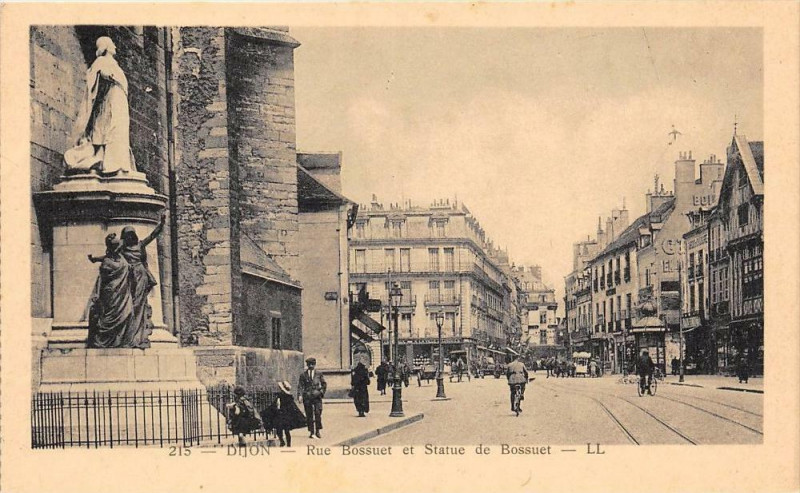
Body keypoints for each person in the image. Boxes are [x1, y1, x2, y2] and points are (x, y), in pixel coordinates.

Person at [66, 36, 136, 174]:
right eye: (112, 44)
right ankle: (111, 165)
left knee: (119, 129)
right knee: (113, 129)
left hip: (119, 100)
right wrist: (104, 74)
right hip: (111, 99)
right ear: (106, 47)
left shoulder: (115, 64)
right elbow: (94, 75)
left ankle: (119, 163)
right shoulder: (101, 61)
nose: (115, 46)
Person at [118, 213, 166, 349]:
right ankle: (129, 335)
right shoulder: (122, 248)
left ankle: (138, 335)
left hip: (140, 277)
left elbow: (153, 236)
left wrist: (161, 224)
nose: (129, 237)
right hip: (127, 277)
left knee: (138, 304)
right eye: (127, 235)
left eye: (131, 235)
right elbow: (110, 255)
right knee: (128, 305)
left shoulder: (140, 245)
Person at [86, 234, 133, 348]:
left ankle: (120, 339)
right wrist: (97, 293)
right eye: (117, 247)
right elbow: (101, 279)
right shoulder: (107, 262)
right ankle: (105, 340)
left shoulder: (120, 258)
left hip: (123, 292)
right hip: (111, 292)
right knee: (109, 317)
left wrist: (95, 259)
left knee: (127, 313)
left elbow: (105, 257)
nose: (120, 249)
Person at [261, 381, 306, 447]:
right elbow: (294, 407)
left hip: (281, 415)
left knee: (279, 429)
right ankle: (288, 444)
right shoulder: (289, 397)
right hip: (286, 416)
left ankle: (282, 441)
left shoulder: (281, 396)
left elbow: (275, 405)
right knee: (286, 431)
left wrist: (266, 411)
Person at [298, 357, 326, 439]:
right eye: (309, 364)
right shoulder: (303, 375)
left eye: (312, 364)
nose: (311, 366)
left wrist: (321, 392)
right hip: (307, 396)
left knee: (318, 413)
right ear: (307, 365)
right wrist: (300, 395)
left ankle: (317, 430)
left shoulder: (319, 374)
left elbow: (324, 384)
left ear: (315, 364)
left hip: (317, 396)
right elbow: (300, 386)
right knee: (309, 414)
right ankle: (311, 431)